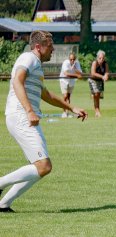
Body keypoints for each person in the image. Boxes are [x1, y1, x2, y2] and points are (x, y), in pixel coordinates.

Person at [0, 30, 88, 213]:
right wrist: (29, 111)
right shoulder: (29, 58)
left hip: (27, 118)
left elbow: (45, 94)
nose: (53, 49)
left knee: (40, 167)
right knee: (43, 166)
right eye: (50, 46)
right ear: (38, 47)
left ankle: (3, 204)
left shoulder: (36, 65)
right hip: (22, 116)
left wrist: (71, 108)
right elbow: (17, 81)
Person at [59, 52, 83, 118]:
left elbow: (80, 73)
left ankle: (67, 112)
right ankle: (64, 112)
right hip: (64, 80)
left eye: (73, 59)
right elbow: (66, 73)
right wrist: (76, 75)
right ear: (69, 59)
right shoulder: (65, 63)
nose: (72, 61)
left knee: (68, 97)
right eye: (71, 59)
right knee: (65, 96)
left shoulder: (77, 63)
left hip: (71, 81)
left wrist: (75, 69)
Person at [89, 50, 109, 118]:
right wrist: (102, 76)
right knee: (96, 94)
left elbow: (106, 72)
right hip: (93, 80)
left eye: (103, 58)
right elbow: (93, 73)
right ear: (97, 58)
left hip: (100, 81)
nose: (101, 60)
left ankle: (97, 112)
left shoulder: (105, 64)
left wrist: (106, 76)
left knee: (98, 96)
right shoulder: (95, 63)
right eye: (100, 58)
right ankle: (97, 111)